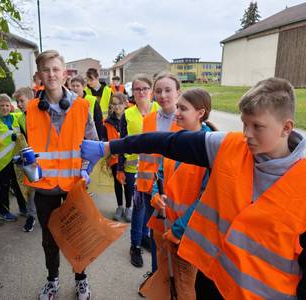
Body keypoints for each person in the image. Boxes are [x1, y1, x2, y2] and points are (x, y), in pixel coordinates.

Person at [81, 77, 306, 300]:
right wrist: (109, 147)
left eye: (257, 126)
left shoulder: (301, 183)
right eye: (244, 123)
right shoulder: (229, 147)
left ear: (286, 127)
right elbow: (165, 142)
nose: (247, 133)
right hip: (212, 282)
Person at [25, 50, 98, 300]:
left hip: (74, 186)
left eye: (56, 69)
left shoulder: (81, 106)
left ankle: (81, 279)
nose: (52, 74)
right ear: (39, 76)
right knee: (49, 239)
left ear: (65, 73)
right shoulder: (32, 109)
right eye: (47, 70)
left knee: (77, 237)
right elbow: (30, 148)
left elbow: (93, 144)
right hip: (45, 187)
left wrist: (86, 171)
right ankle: (52, 280)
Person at [146, 88, 217, 299]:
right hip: (164, 227)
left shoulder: (209, 150)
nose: (176, 112)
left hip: (186, 236)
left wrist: (178, 230)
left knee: (185, 289)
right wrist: (155, 195)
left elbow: (207, 199)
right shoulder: (175, 140)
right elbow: (160, 173)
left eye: (182, 108)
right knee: (166, 280)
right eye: (177, 107)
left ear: (200, 113)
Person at [134, 72, 182, 294]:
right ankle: (156, 277)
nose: (163, 95)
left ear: (178, 92)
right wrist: (139, 183)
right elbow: (145, 154)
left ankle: (174, 283)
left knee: (173, 238)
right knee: (155, 238)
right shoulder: (149, 119)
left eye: (168, 90)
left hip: (175, 192)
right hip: (149, 189)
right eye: (159, 91)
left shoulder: (184, 120)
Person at [119, 74, 159, 268]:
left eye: (145, 88)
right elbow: (122, 143)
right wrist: (119, 168)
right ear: (132, 92)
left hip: (157, 171)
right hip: (134, 170)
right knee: (139, 209)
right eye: (137, 89)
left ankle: (144, 237)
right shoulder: (127, 114)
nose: (141, 92)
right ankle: (134, 245)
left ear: (151, 90)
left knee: (151, 208)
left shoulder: (161, 111)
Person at [0, 94, 27, 221]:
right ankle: (3, 212)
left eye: (7, 105)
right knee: (3, 186)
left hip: (15, 158)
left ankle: (23, 208)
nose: (5, 108)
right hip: (0, 161)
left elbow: (25, 115)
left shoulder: (15, 117)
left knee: (18, 184)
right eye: (1, 106)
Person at [13, 87, 37, 232]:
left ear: (31, 99)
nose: (19, 104)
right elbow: (24, 137)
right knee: (31, 189)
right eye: (17, 101)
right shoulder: (21, 117)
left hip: (45, 156)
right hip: (30, 156)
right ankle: (31, 216)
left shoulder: (41, 113)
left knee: (47, 189)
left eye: (22, 101)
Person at [103, 92, 126, 221]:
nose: (117, 107)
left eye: (119, 104)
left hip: (129, 157)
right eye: (114, 104)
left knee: (128, 184)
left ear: (125, 104)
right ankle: (119, 206)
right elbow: (104, 139)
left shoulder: (129, 118)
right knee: (118, 182)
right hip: (114, 158)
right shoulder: (107, 122)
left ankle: (129, 207)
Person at [71, 75, 105, 140]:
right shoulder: (67, 101)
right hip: (73, 138)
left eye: (78, 86)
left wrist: (99, 140)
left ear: (83, 87)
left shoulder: (92, 100)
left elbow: (99, 122)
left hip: (89, 137)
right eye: (73, 86)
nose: (75, 88)